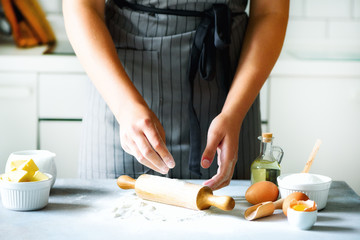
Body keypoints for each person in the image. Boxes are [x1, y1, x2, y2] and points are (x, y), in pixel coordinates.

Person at [63, 0, 289, 190]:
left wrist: (234, 112)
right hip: (120, 93)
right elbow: (81, 6)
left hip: (231, 95)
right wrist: (124, 106)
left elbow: (271, 11)